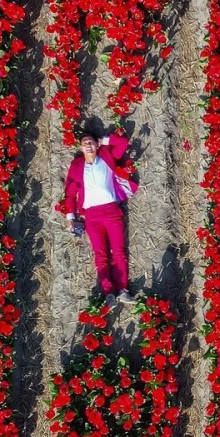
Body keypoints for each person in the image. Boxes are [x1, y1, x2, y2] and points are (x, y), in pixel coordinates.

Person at [64, 128, 138, 306]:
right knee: (100, 254)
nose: (88, 145)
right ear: (81, 148)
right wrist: (70, 217)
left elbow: (123, 142)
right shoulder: (76, 165)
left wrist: (102, 140)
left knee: (119, 252)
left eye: (90, 142)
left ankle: (123, 290)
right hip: (91, 216)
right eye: (84, 143)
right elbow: (70, 192)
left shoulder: (106, 156)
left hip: (112, 211)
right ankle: (108, 292)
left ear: (96, 145)